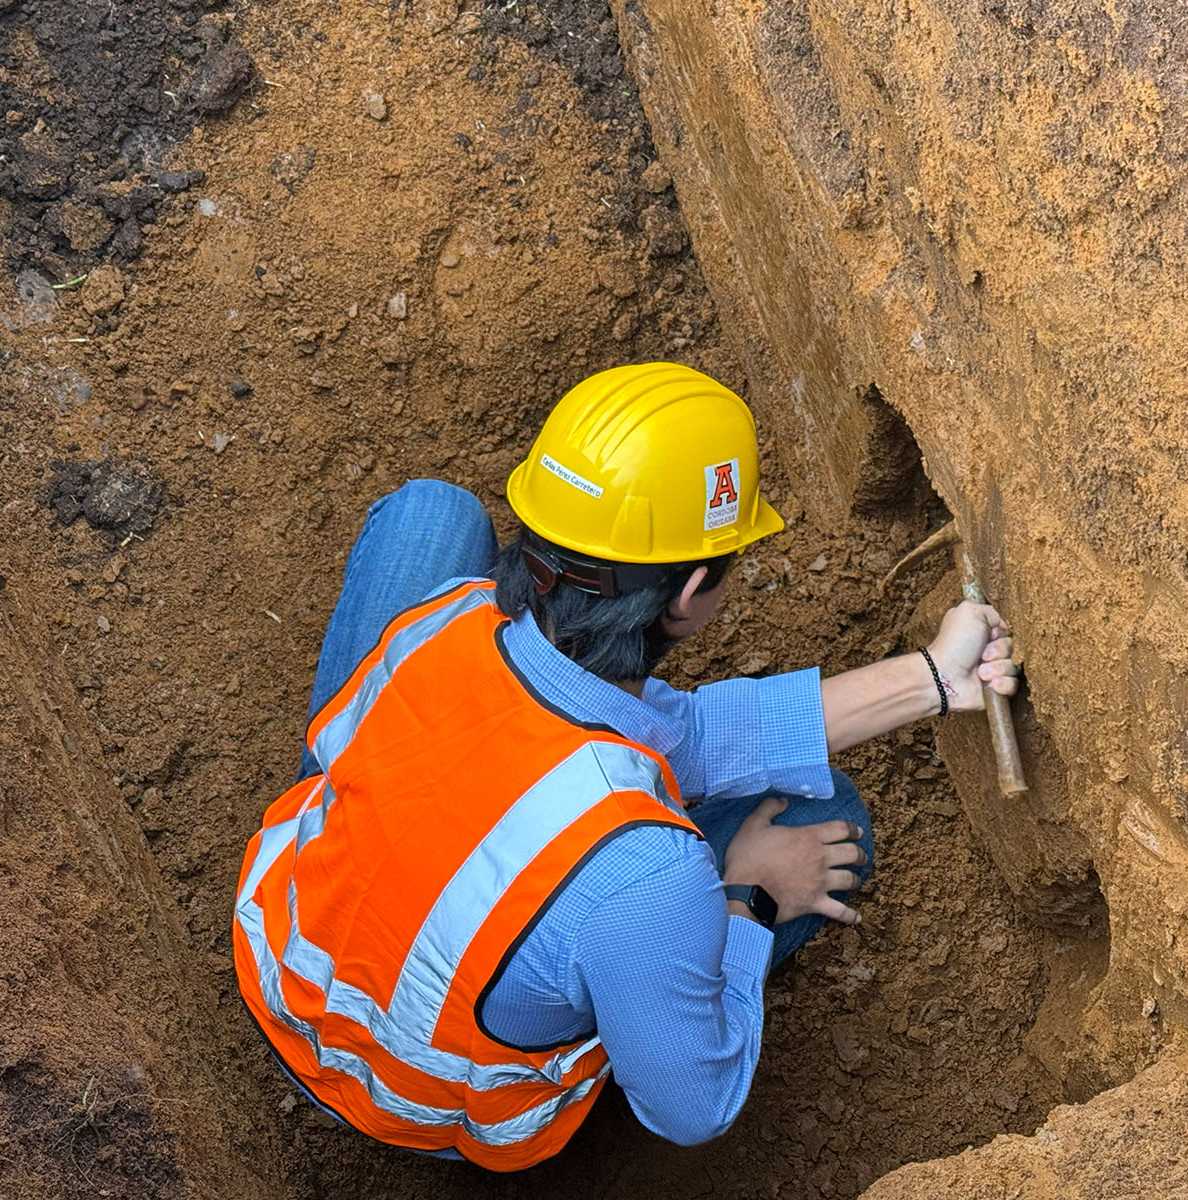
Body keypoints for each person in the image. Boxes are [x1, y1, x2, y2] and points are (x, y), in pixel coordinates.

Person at [232, 362, 1018, 1170]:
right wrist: (749, 898)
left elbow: (691, 734)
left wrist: (932, 678)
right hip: (418, 1093)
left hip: (286, 947)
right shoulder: (647, 869)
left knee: (432, 516)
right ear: (690, 593)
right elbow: (693, 1110)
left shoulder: (450, 617)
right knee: (827, 817)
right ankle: (624, 1017)